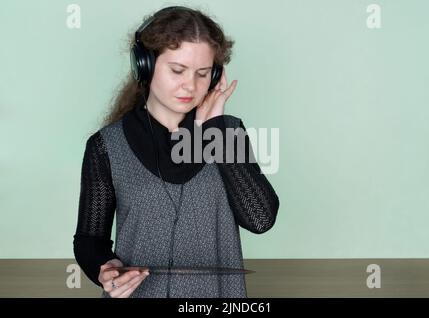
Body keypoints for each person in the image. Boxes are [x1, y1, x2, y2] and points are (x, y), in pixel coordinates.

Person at [73, 5, 280, 298]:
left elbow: (260, 219)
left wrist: (214, 129)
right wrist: (105, 270)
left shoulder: (226, 132)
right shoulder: (106, 146)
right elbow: (89, 239)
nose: (190, 85)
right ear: (145, 65)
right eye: (177, 70)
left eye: (203, 73)